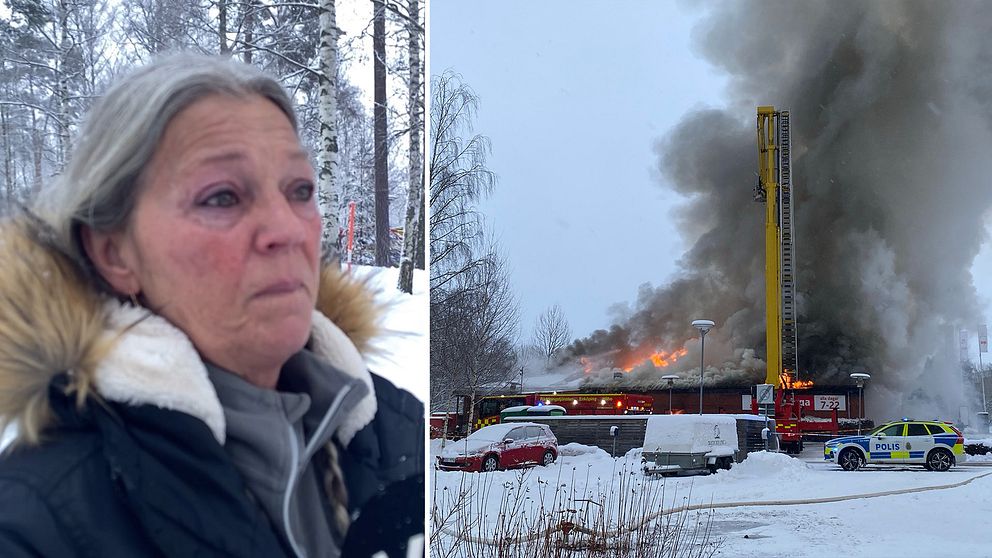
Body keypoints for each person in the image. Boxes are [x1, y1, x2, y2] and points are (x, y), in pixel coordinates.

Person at [0, 53, 424, 558]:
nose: (287, 229)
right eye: (222, 197)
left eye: (300, 190)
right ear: (114, 252)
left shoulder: (388, 427)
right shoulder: (38, 523)